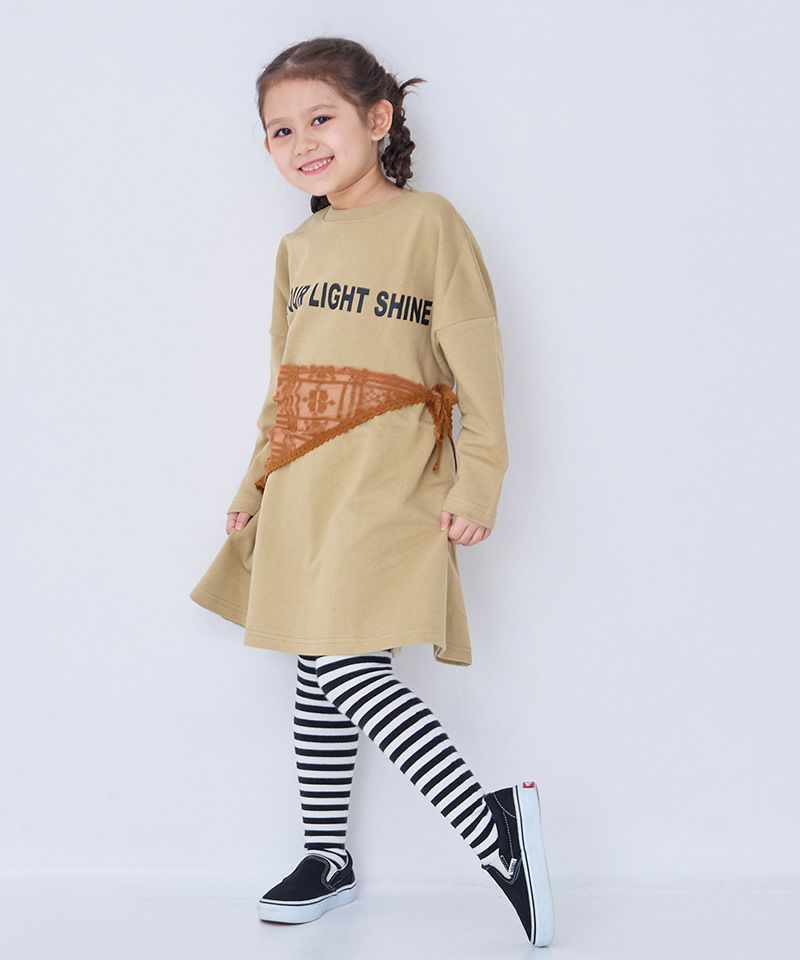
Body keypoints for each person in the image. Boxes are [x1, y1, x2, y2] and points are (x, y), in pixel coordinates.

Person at [189, 36, 554, 947]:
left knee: (349, 666)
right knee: (318, 666)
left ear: (378, 119)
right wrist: (254, 485)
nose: (302, 142)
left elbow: (478, 363)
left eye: (321, 118)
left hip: (392, 481)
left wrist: (482, 478)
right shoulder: (298, 247)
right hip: (305, 484)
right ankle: (328, 856)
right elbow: (285, 383)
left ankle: (494, 831)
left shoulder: (431, 224)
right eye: (280, 130)